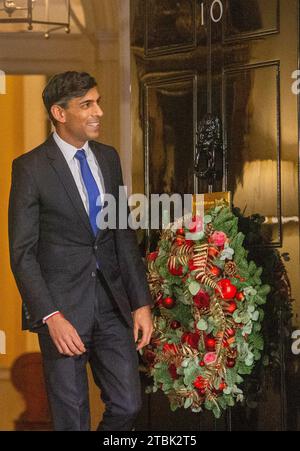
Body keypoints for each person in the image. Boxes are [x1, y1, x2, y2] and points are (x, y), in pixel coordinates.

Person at [8, 71, 153, 431]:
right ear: (59, 113)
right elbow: (22, 253)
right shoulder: (30, 168)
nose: (98, 111)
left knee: (129, 404)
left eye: (98, 102)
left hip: (111, 307)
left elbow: (122, 234)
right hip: (63, 313)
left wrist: (141, 303)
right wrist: (50, 317)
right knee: (71, 419)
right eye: (86, 104)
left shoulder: (108, 158)